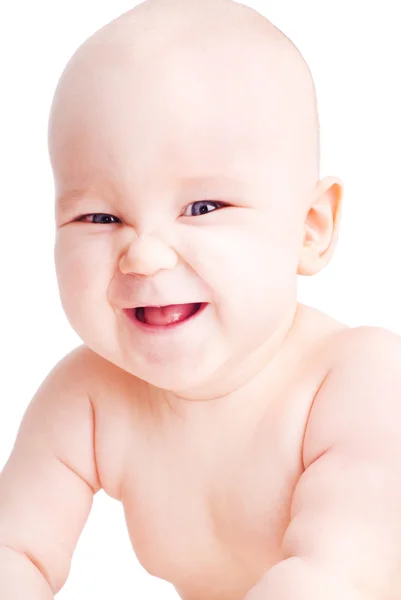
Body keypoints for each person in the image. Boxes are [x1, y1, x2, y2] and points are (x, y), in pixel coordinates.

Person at [1, 0, 400, 598]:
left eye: (203, 208)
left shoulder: (360, 382)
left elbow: (339, 577)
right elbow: (15, 551)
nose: (144, 254)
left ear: (310, 228)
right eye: (99, 215)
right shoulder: (87, 396)